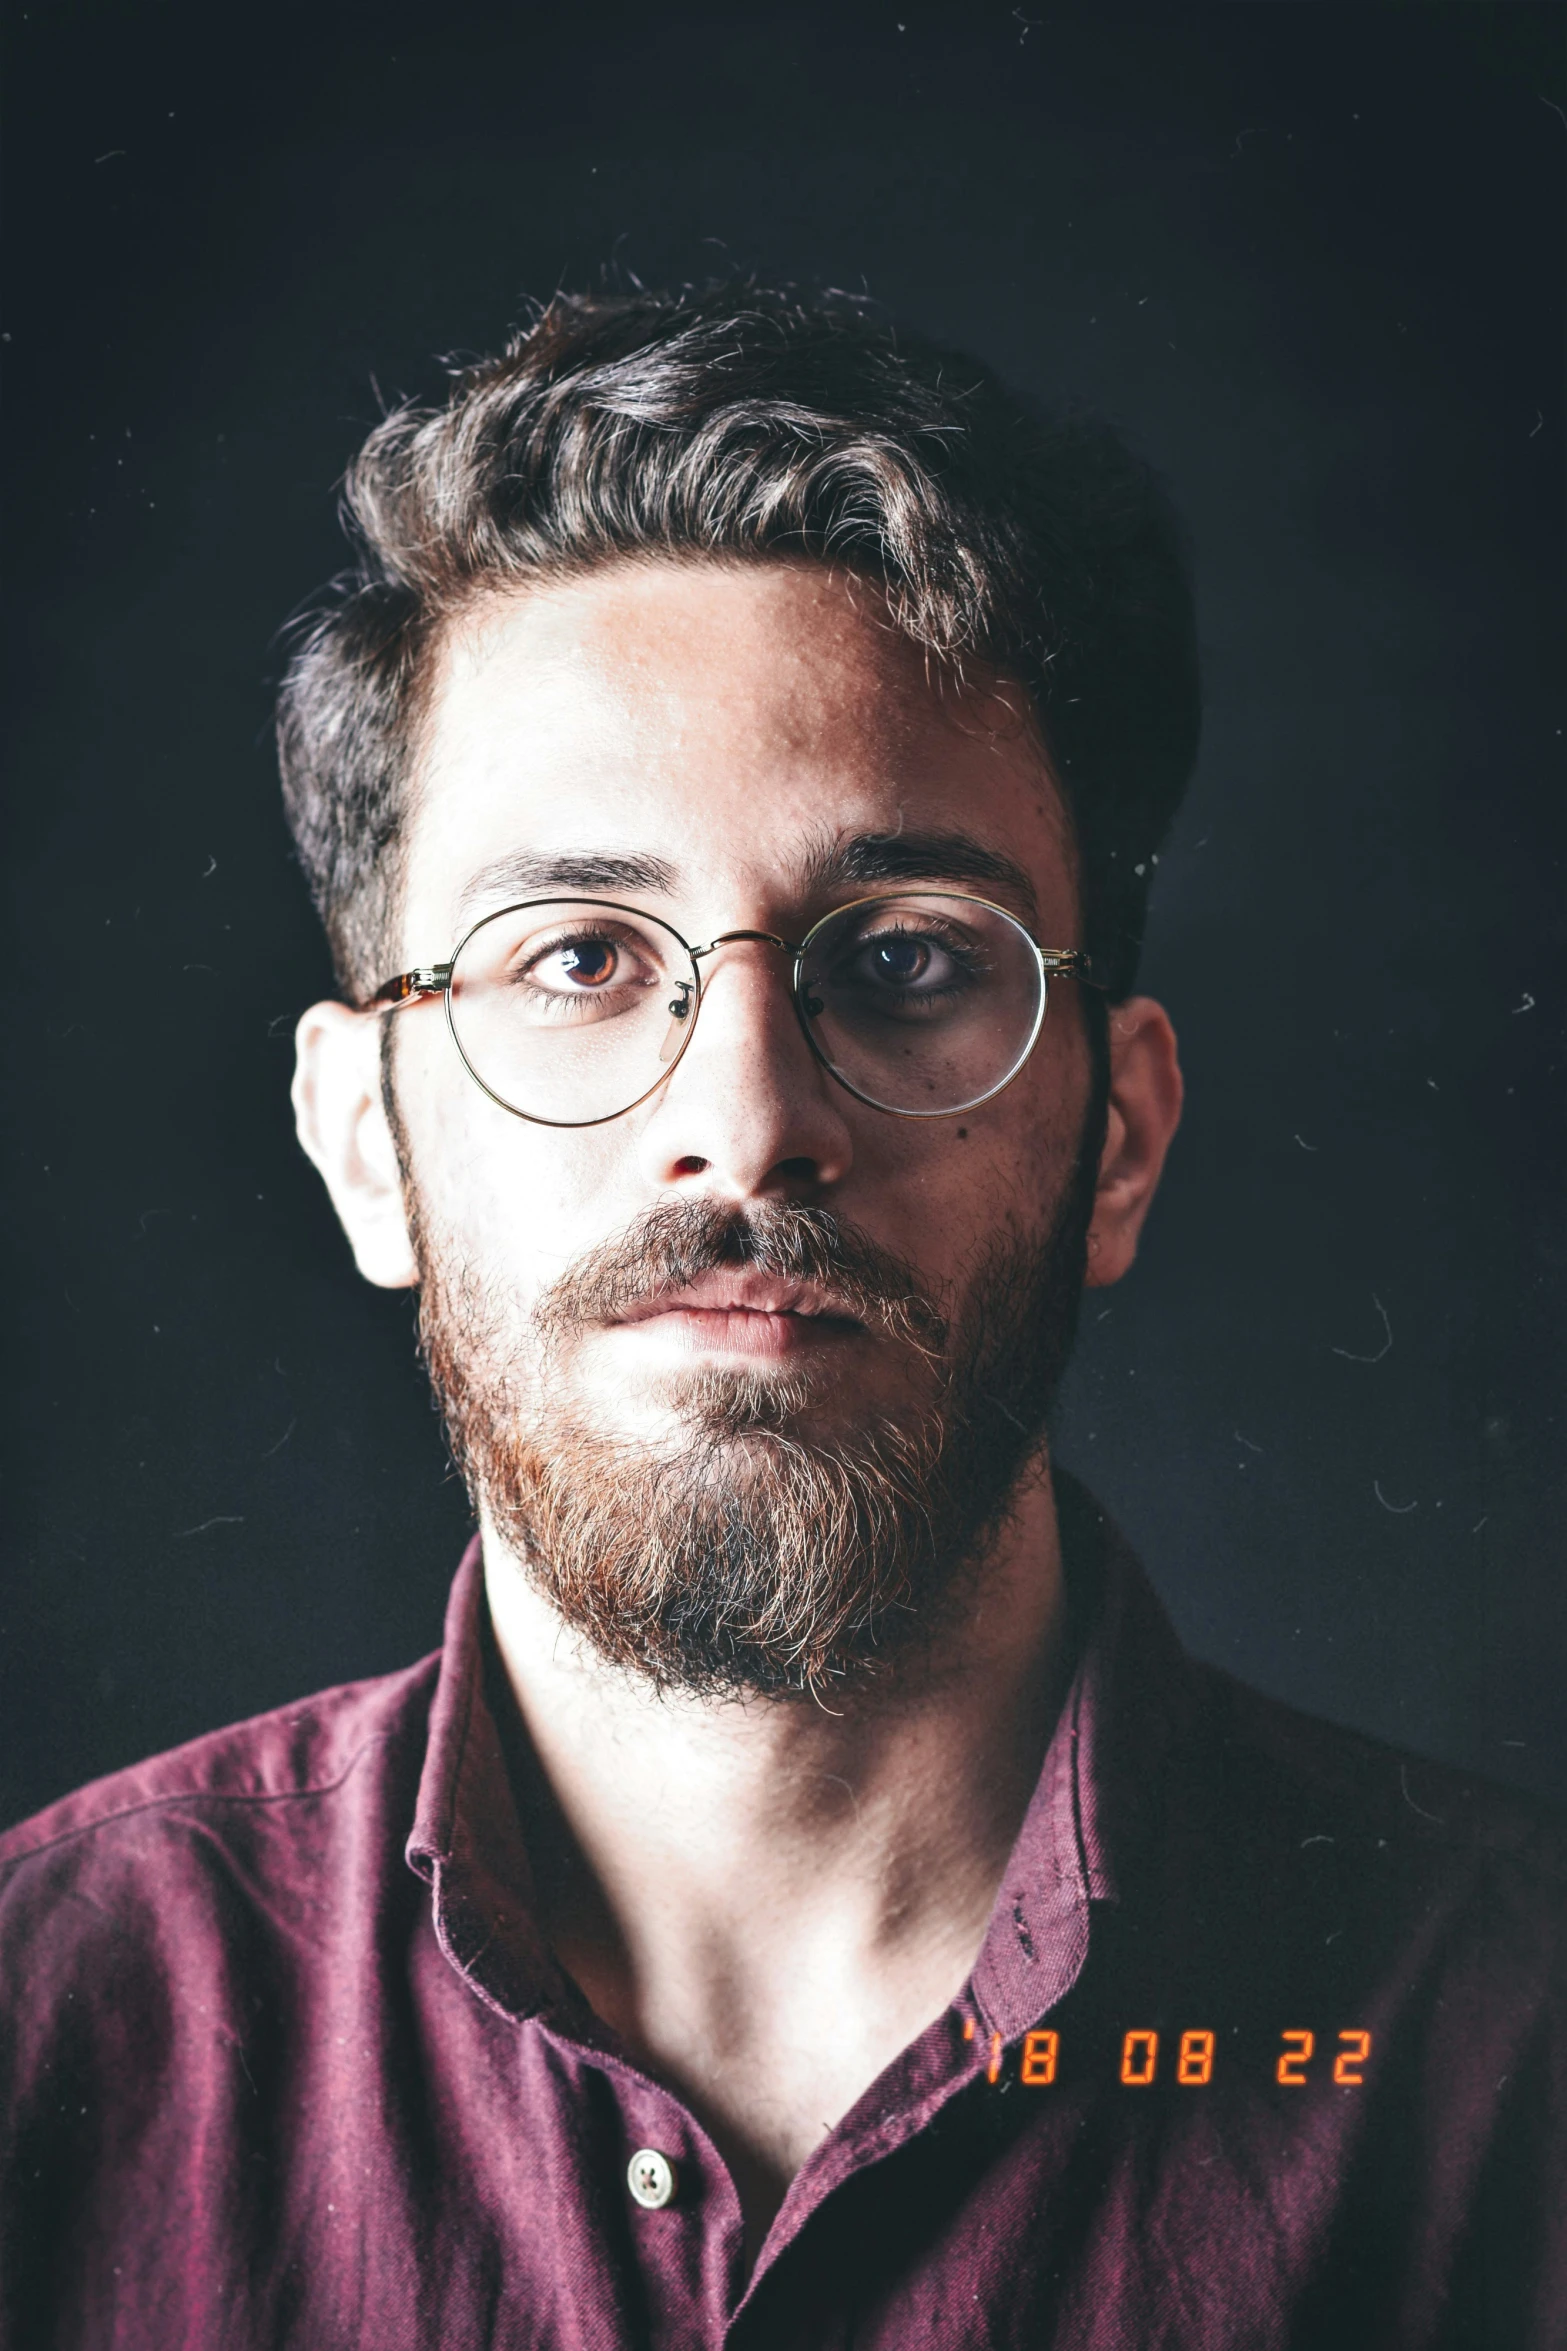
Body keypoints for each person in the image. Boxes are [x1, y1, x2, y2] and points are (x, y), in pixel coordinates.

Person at [1, 286, 1560, 2351]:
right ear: (366, 1137)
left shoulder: (1511, 2061)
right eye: (576, 954)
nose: (745, 1116)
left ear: (1117, 1136)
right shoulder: (42, 2030)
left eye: (906, 955)